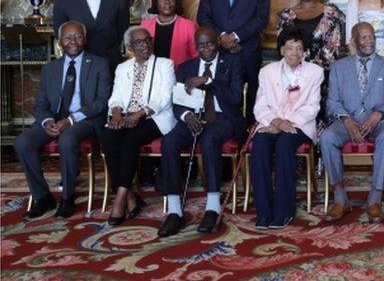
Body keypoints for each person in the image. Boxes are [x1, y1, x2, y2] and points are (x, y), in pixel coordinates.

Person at [14, 21, 111, 219]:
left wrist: (71, 119)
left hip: (85, 120)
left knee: (67, 138)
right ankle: (43, 197)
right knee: (23, 142)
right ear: (59, 42)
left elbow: (101, 103)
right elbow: (40, 104)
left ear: (85, 39)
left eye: (77, 36)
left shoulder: (100, 64)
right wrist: (47, 121)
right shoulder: (50, 69)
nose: (73, 41)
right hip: (55, 119)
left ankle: (67, 197)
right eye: (67, 37)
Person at [157, 27, 244, 237]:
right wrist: (186, 115)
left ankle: (212, 205)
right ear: (196, 47)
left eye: (210, 44)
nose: (205, 49)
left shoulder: (232, 63)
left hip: (223, 118)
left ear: (218, 42)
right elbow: (176, 102)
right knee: (169, 142)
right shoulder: (186, 67)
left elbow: (235, 99)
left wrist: (209, 81)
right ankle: (175, 209)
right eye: (201, 46)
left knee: (209, 140)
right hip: (192, 117)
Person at [321, 22, 384, 224]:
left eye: (372, 36)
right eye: (363, 37)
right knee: (327, 137)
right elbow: (332, 102)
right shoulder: (339, 67)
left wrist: (379, 114)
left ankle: (374, 199)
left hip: (379, 122)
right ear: (354, 41)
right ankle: (340, 199)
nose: (369, 41)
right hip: (348, 121)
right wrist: (346, 120)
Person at [250, 28, 324, 229]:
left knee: (284, 145)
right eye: (290, 48)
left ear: (305, 51)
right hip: (270, 123)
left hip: (299, 125)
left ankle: (284, 211)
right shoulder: (267, 72)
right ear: (282, 50)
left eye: (299, 48)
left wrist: (285, 124)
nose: (295, 53)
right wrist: (275, 122)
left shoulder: (315, 72)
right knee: (259, 144)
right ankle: (264, 211)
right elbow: (260, 106)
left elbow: (312, 107)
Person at [103, 27, 176, 226]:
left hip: (154, 118)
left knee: (129, 141)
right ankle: (130, 196)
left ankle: (120, 198)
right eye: (139, 42)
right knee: (108, 136)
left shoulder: (164, 64)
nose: (144, 45)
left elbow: (165, 99)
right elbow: (116, 96)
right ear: (130, 47)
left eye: (147, 40)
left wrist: (139, 114)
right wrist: (117, 114)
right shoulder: (122, 68)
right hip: (126, 117)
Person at [198, 0, 270, 122]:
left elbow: (262, 18)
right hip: (219, 51)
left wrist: (236, 36)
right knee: (221, 95)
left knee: (252, 98)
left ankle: (249, 139)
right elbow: (203, 16)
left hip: (248, 50)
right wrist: (222, 37)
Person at [275, 0, 345, 81]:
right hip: (295, 75)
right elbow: (283, 47)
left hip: (325, 74)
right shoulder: (286, 16)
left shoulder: (331, 13)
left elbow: (334, 47)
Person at [140, 0, 198, 70]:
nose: (167, 2)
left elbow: (196, 58)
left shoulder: (189, 26)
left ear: (176, 2)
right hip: (152, 77)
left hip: (179, 77)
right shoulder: (145, 26)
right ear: (155, 2)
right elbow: (139, 55)